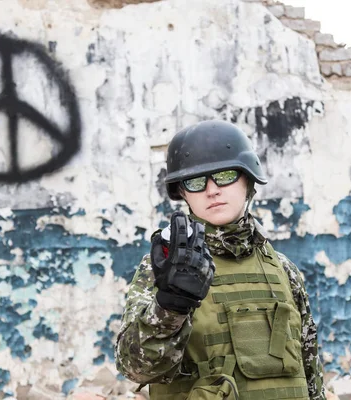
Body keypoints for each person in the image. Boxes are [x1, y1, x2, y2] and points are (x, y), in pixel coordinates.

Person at [114, 120, 325, 400]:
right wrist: (170, 308)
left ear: (247, 179)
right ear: (183, 192)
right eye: (196, 181)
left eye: (224, 175)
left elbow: (311, 375)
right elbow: (135, 369)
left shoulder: (284, 270)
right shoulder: (162, 266)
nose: (212, 190)